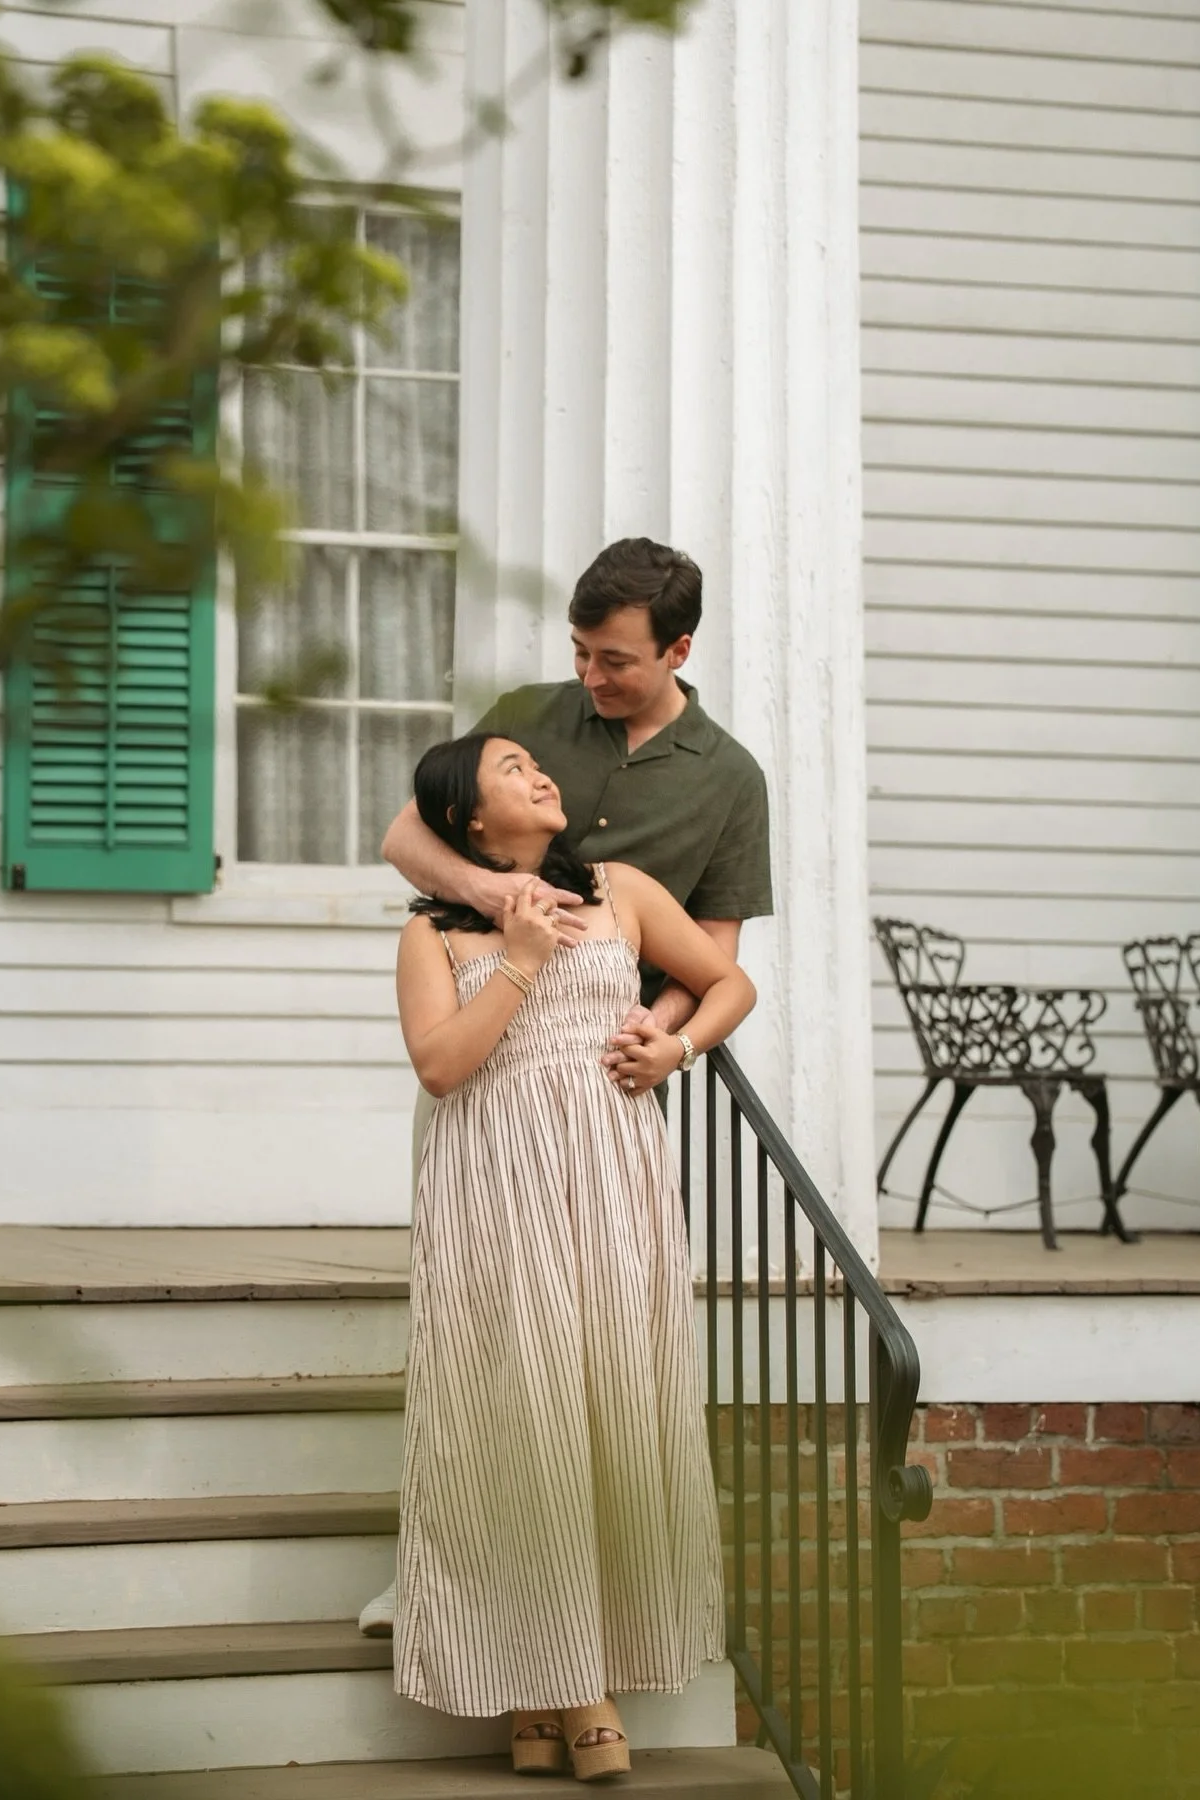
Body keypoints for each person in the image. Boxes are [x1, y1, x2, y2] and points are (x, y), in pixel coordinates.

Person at [360, 536, 773, 1639]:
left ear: (677, 649)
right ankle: (447, 1573)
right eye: (582, 653)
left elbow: (715, 948)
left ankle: (598, 1602)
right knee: (476, 1330)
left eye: (616, 661)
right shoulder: (524, 716)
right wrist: (502, 904)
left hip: (601, 1088)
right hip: (488, 1073)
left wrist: (665, 1037)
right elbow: (409, 832)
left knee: (595, 1351)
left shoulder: (728, 778)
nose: (590, 679)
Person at [392, 733, 757, 1779]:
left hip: (611, 1182)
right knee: (523, 1425)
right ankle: (572, 1681)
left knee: (608, 1417)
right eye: (511, 769)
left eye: (535, 763)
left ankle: (549, 1692)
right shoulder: (431, 935)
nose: (540, 775)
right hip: (497, 1192)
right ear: (467, 818)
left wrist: (676, 1046)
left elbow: (727, 983)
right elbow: (442, 1067)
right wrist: (520, 955)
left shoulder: (621, 887)